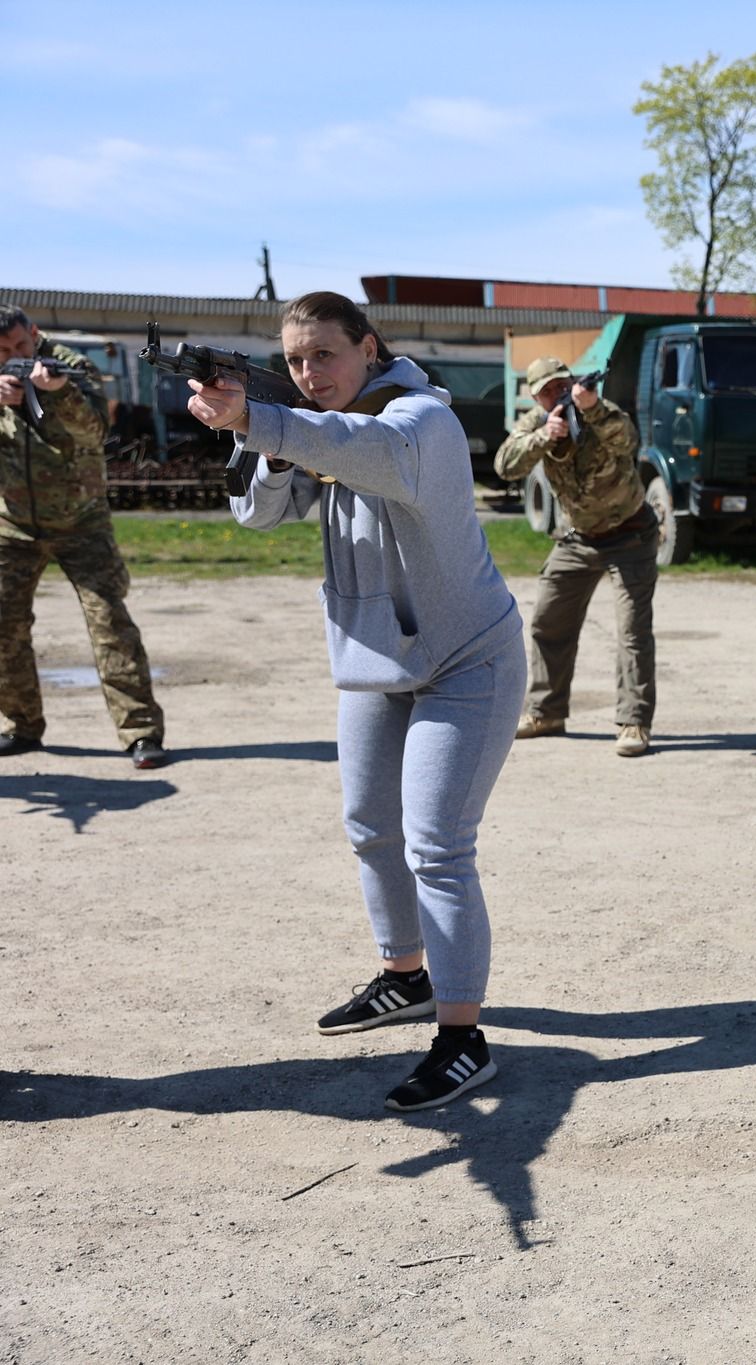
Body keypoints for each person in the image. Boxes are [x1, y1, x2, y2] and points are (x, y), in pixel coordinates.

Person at [191, 291, 525, 1112]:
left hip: (467, 661)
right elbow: (259, 514)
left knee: (437, 845)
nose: (309, 374)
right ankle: (404, 975)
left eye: (325, 355)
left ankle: (462, 1038)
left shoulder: (421, 420)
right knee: (372, 828)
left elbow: (363, 450)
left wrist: (261, 419)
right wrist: (261, 437)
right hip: (380, 660)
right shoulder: (316, 423)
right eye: (295, 361)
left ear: (369, 348)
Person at [0, 304, 167, 767]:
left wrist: (58, 394)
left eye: (21, 344)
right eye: (4, 351)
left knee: (110, 624)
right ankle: (21, 725)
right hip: (13, 523)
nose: (15, 354)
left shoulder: (72, 368)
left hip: (82, 520)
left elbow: (96, 431)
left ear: (34, 332)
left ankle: (141, 732)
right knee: (3, 626)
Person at [494, 357, 656, 758]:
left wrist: (592, 410)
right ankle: (546, 713)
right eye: (547, 390)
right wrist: (543, 437)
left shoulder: (599, 411)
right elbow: (505, 466)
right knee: (549, 622)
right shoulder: (537, 422)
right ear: (536, 397)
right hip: (578, 538)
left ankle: (634, 721)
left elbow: (628, 441)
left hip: (630, 535)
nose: (557, 393)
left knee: (632, 631)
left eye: (561, 385)